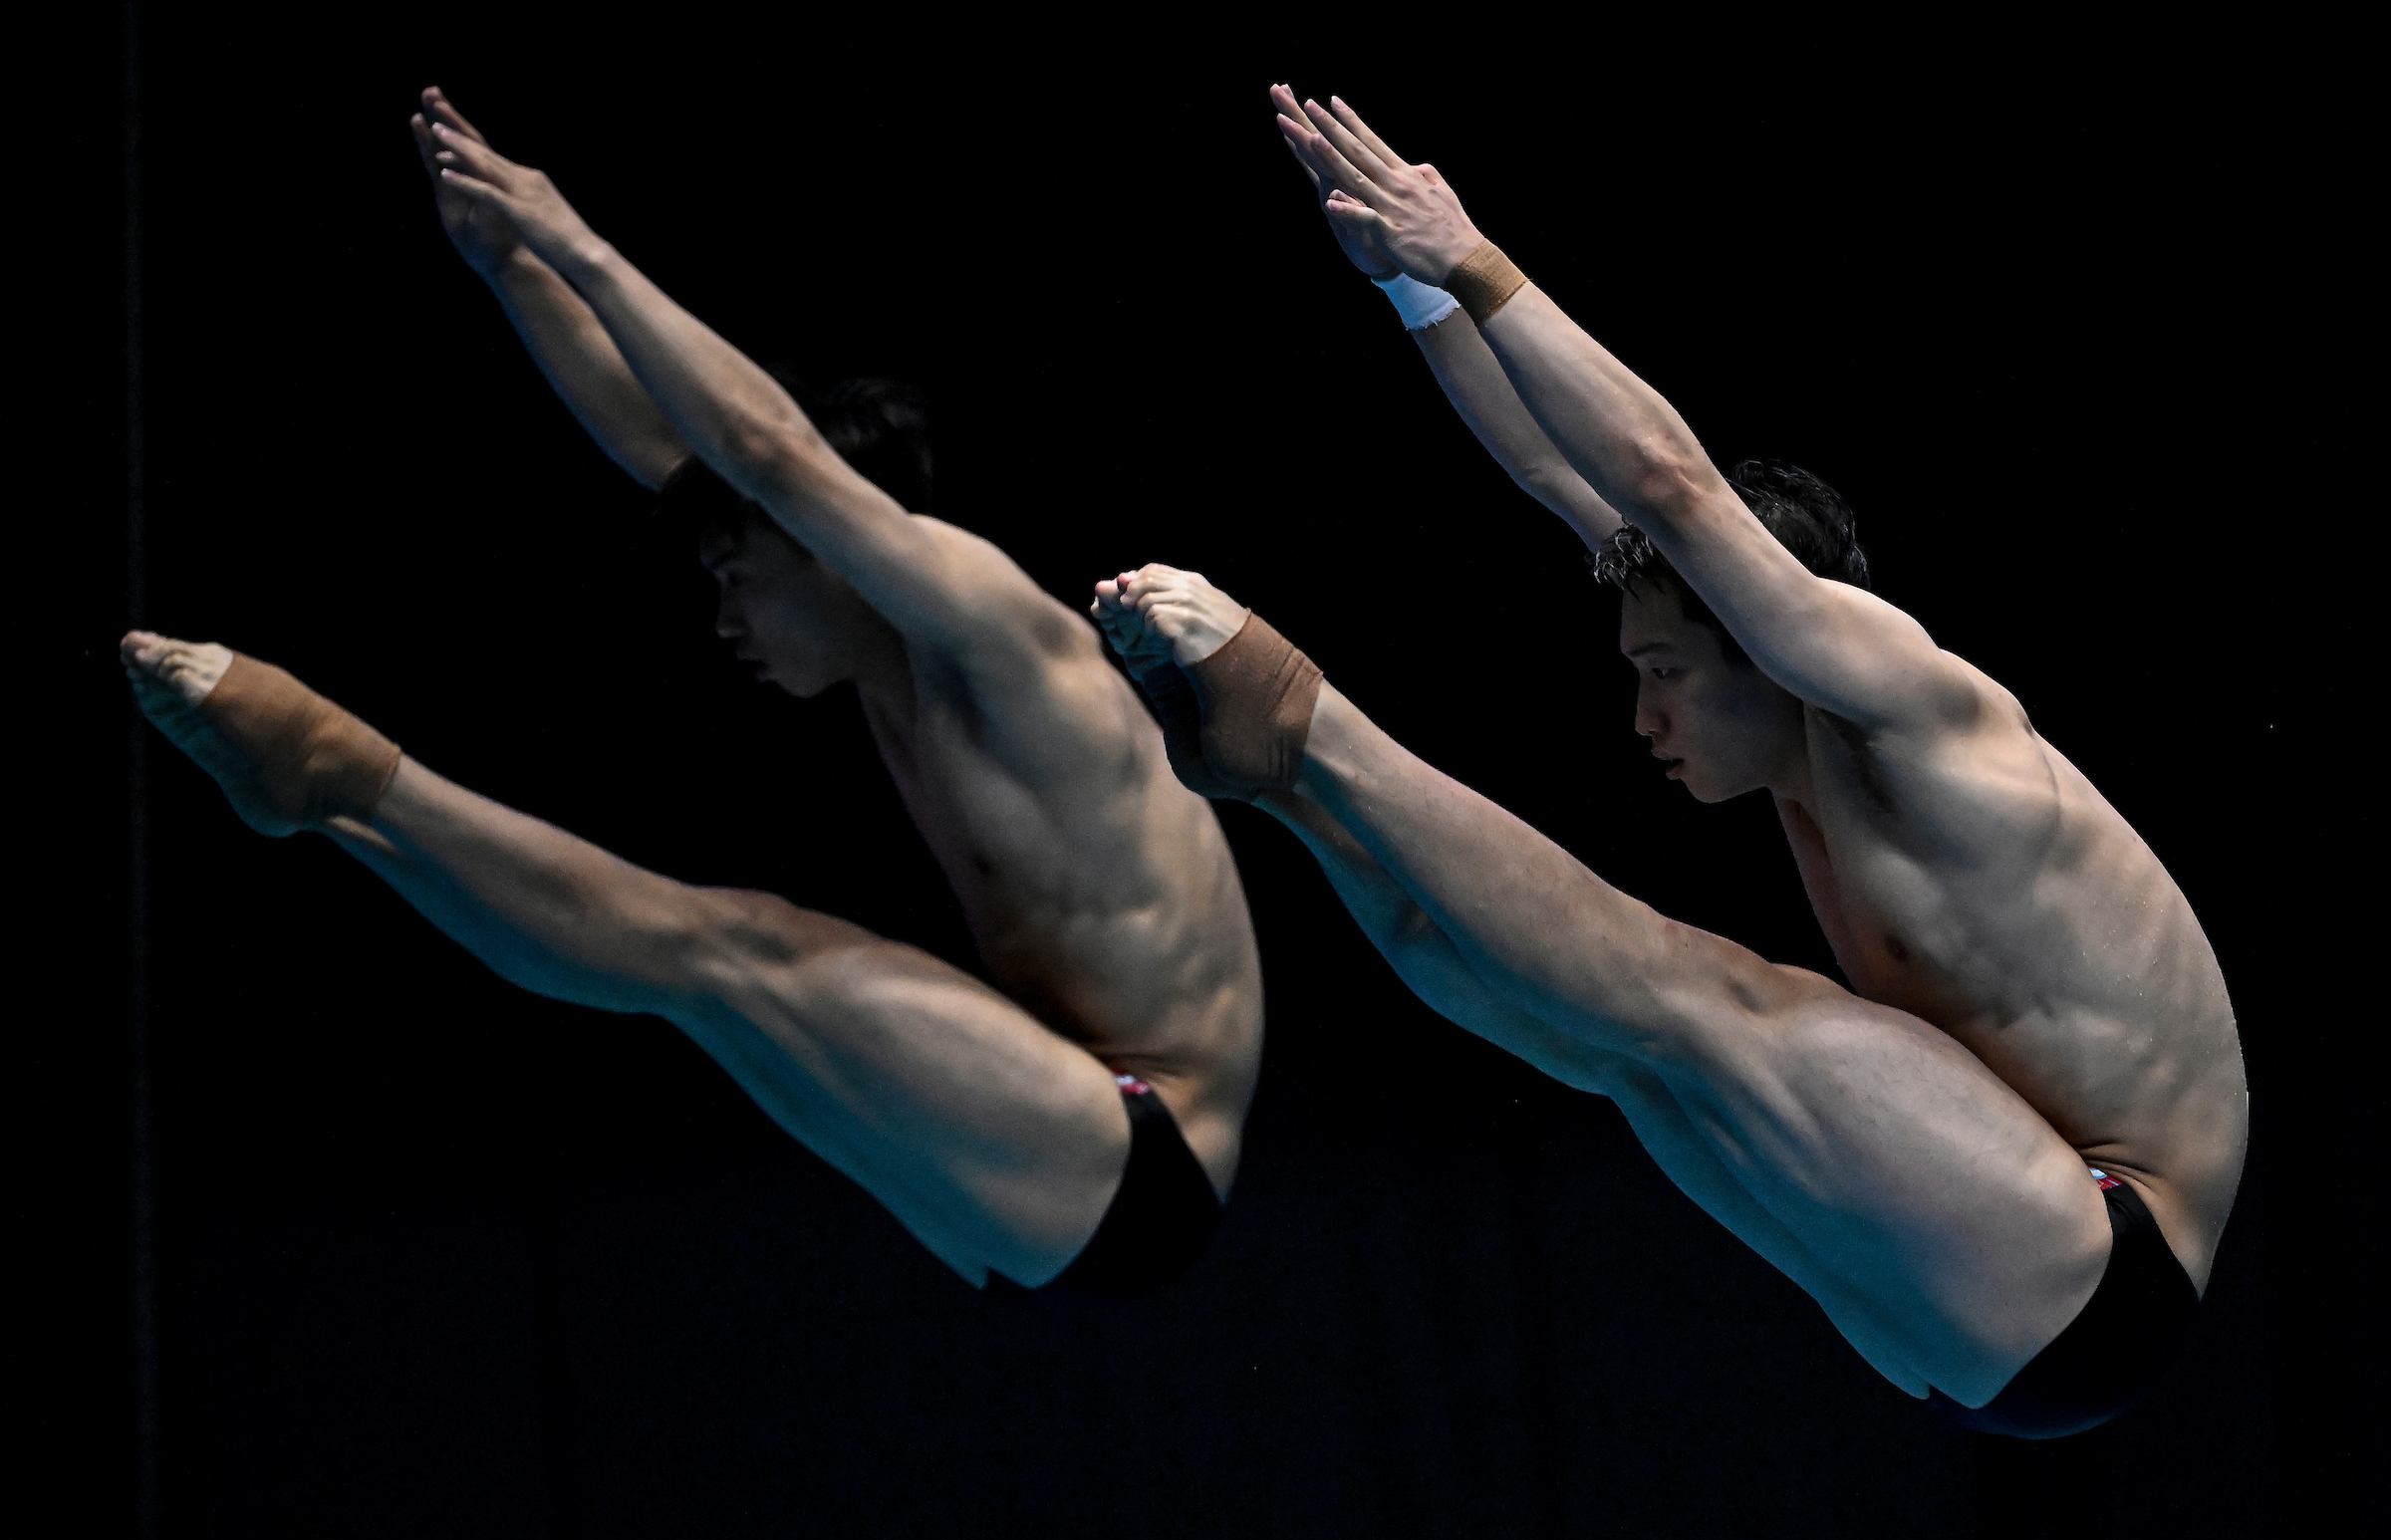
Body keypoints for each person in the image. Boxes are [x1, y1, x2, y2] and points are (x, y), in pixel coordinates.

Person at [1088, 89, 2246, 1433]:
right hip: (1985, 1268)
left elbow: (1671, 489)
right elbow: (1558, 475)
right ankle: (1298, 793)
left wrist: (1471, 253)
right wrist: (1415, 294)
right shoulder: (1792, 709)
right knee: (1595, 1037)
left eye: (1663, 675)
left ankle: (1305, 715)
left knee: (1695, 994)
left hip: (2105, 1256)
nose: (1642, 718)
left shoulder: (1918, 709)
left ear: (1761, 640)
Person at [120, 88, 1266, 1303]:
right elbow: (683, 456)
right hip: (1042, 1140)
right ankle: (340, 809)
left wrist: (572, 238)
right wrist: (511, 267)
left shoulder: (990, 630)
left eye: (736, 572)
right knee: (687, 972)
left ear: (818, 542)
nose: (722, 618)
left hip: (1140, 1152)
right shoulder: (882, 639)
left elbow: (766, 453)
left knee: (726, 942)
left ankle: (347, 776)